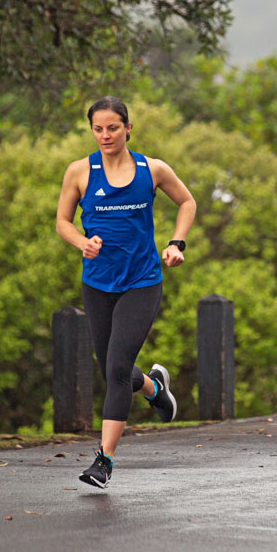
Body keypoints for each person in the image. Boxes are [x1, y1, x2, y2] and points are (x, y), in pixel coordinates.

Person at [55, 96, 196, 488]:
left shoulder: (152, 170)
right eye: (98, 129)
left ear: (128, 127)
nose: (105, 135)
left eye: (112, 128)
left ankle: (104, 461)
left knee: (116, 370)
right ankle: (153, 387)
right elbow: (62, 222)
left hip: (142, 283)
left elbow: (187, 201)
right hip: (97, 284)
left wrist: (176, 243)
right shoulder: (80, 172)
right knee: (112, 369)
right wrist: (81, 242)